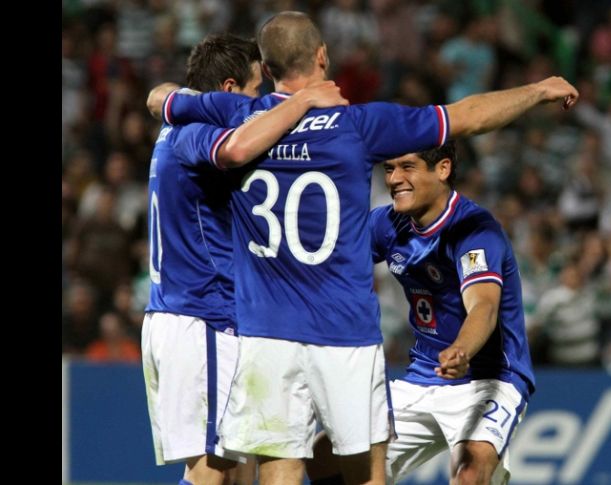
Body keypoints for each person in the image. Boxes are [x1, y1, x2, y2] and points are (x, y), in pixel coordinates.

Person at [157, 11, 577, 485]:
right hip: (344, 331)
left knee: (281, 468)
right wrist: (538, 90)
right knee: (365, 474)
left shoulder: (238, 117)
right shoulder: (359, 125)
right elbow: (469, 118)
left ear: (268, 70)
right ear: (322, 56)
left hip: (265, 332)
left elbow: (162, 100)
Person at [141, 32, 347, 485]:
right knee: (212, 473)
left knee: (231, 472)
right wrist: (303, 101)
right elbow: (234, 147)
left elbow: (161, 97)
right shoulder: (197, 134)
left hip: (185, 313)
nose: (264, 101)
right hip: (204, 315)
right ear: (231, 89)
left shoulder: (175, 126)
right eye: (258, 90)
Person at [308, 142, 533, 485]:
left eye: (407, 167)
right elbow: (329, 265)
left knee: (469, 473)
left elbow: (484, 306)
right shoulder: (387, 223)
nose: (394, 179)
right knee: (326, 457)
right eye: (389, 168)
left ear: (442, 169)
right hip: (424, 375)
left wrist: (462, 349)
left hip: (488, 378)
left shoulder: (474, 230)